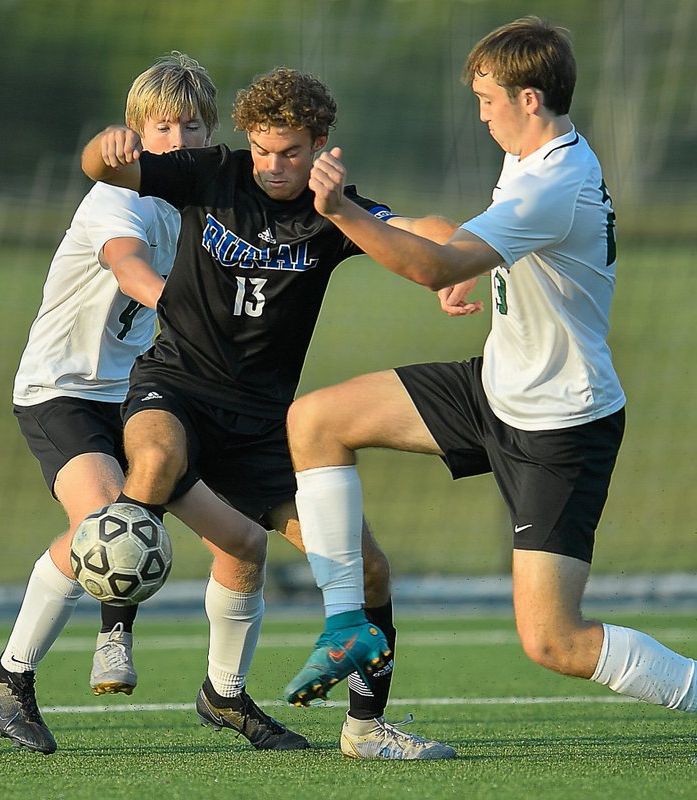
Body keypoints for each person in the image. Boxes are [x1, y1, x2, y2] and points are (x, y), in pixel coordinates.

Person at [282, 17, 697, 766]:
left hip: (562, 426)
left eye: (487, 97)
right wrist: (472, 266)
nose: (479, 110)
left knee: (554, 639)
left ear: (528, 96)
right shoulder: (534, 157)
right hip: (498, 388)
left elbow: (429, 266)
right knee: (317, 420)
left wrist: (344, 212)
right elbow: (471, 249)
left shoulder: (554, 181)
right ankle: (345, 620)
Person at [81, 67, 460, 761]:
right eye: (262, 148)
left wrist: (460, 263)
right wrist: (106, 148)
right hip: (178, 386)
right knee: (157, 459)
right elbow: (100, 169)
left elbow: (417, 227)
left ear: (320, 145)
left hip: (264, 429)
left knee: (368, 569)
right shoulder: (210, 173)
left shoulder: (333, 211)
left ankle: (367, 728)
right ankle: (115, 633)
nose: (273, 165)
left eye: (290, 151)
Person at [0, 53, 306, 755]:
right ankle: (13, 674)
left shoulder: (207, 199)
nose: (178, 140)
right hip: (62, 389)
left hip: (140, 393)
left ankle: (225, 694)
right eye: (162, 126)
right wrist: (189, 312)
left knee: (244, 544)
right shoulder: (118, 199)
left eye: (192, 126)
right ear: (138, 132)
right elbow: (130, 268)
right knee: (106, 521)